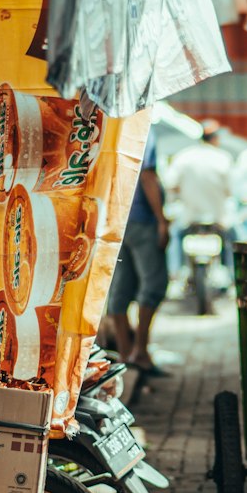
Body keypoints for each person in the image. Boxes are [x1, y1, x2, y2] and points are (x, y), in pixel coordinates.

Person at [107, 132, 170, 375]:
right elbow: (147, 175)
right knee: (154, 285)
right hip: (141, 221)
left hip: (115, 221)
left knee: (121, 288)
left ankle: (125, 354)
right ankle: (140, 352)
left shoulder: (115, 124)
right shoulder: (142, 129)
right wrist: (161, 220)